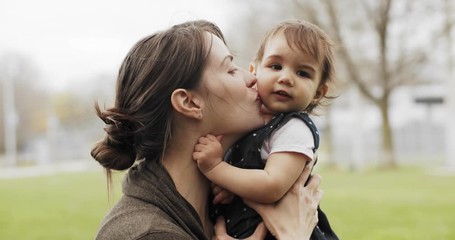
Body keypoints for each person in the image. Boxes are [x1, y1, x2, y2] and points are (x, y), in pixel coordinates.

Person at [91, 19, 324, 240]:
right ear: (190, 103)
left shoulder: (217, 209)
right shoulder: (147, 234)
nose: (252, 77)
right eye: (231, 69)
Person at [192, 19, 339, 240]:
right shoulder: (250, 125)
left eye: (303, 73)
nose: (286, 78)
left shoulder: (294, 129)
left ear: (318, 92)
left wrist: (216, 168)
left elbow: (272, 185)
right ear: (254, 71)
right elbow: (252, 173)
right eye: (276, 66)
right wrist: (232, 187)